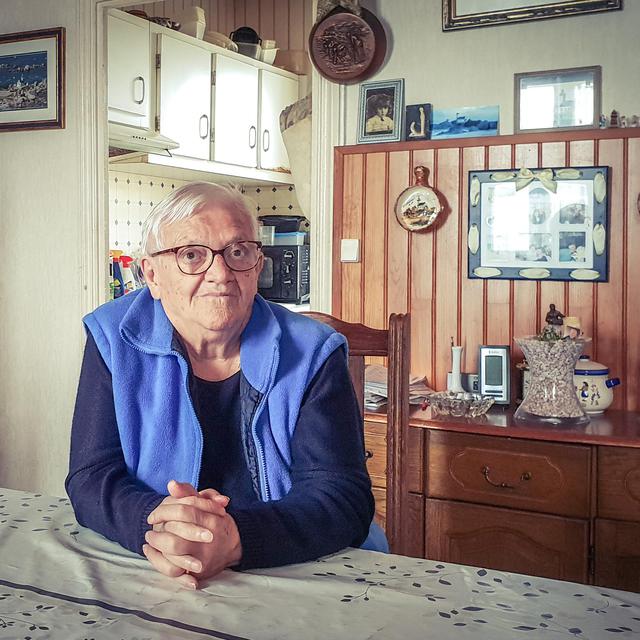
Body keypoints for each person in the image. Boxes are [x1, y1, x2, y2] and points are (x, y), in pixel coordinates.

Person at [66, 182, 379, 590]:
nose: (220, 273)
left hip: (295, 568)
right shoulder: (113, 337)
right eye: (191, 255)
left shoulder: (313, 351)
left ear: (257, 265)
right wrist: (165, 525)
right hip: (158, 565)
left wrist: (235, 539)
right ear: (152, 276)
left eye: (238, 252)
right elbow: (91, 476)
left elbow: (341, 497)